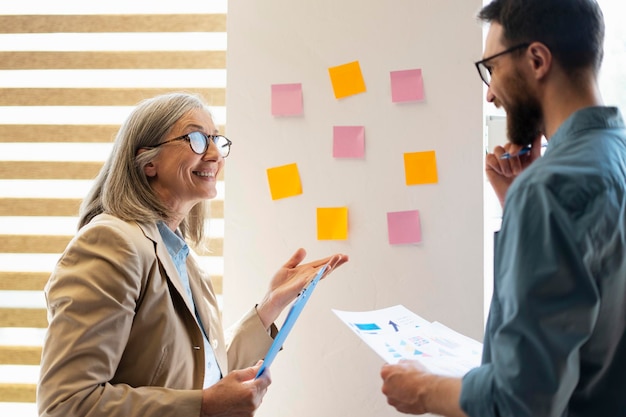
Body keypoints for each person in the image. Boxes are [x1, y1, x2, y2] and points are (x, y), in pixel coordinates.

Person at [380, 0, 626, 416]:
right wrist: (515, 203)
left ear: (536, 59)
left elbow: (520, 400)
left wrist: (421, 391)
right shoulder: (610, 157)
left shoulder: (548, 190)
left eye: (491, 68)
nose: (491, 93)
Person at [37, 92, 348, 417]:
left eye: (216, 139)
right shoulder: (111, 242)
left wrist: (271, 305)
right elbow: (67, 404)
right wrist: (204, 406)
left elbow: (205, 375)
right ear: (149, 161)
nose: (215, 154)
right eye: (197, 139)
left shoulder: (183, 259)